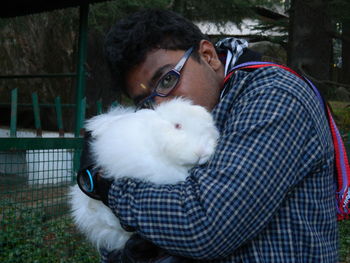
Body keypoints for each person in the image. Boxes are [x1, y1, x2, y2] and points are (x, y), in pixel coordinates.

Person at [83, 8, 339, 262]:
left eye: (166, 80)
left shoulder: (274, 95)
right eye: (146, 102)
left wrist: (110, 189)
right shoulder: (189, 115)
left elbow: (207, 225)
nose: (161, 107)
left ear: (208, 56)